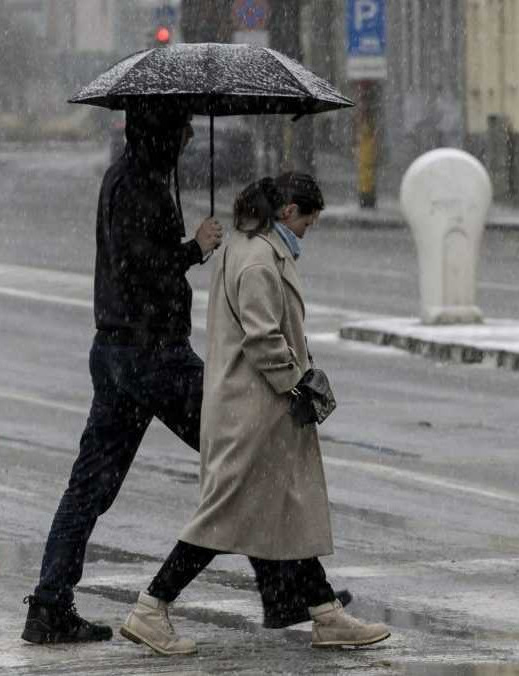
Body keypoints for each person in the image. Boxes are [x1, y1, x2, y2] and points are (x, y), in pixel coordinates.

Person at [20, 108, 347, 644]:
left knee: (95, 487)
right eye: (182, 135)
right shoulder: (137, 187)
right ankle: (292, 592)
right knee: (250, 459)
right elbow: (139, 266)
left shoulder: (129, 178)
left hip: (118, 351)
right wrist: (194, 248)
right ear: (160, 136)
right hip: (153, 355)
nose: (188, 144)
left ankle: (50, 603)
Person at [119, 175, 391, 655]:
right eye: (308, 219)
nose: (308, 229)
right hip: (254, 411)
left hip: (253, 409)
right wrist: (299, 384)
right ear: (287, 211)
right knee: (222, 520)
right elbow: (263, 338)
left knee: (287, 509)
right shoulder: (260, 260)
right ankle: (151, 606)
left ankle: (326, 614)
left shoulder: (245, 248)